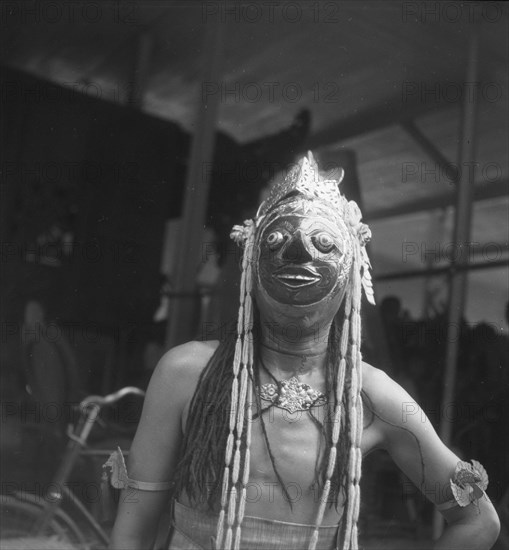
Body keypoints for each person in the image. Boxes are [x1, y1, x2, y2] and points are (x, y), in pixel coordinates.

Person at [108, 153, 500, 550]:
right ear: (251, 266)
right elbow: (134, 529)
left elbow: (479, 522)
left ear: (350, 273)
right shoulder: (186, 372)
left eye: (324, 244)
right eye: (275, 242)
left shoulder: (369, 395)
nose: (297, 255)